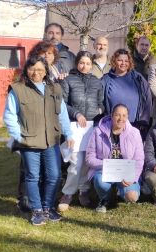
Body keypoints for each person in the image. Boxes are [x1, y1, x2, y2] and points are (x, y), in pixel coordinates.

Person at [3, 54, 74, 226]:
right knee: (33, 176)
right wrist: (19, 136)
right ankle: (37, 211)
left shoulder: (54, 89)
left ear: (45, 71)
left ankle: (48, 207)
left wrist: (69, 133)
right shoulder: (18, 89)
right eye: (32, 68)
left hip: (51, 140)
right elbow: (9, 116)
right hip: (29, 142)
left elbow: (62, 113)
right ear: (27, 69)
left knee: (54, 175)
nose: (36, 72)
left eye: (40, 69)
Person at [57, 51, 104, 212]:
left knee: (87, 162)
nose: (85, 66)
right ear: (77, 63)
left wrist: (100, 108)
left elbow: (101, 102)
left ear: (92, 65)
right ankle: (67, 193)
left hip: (91, 128)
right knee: (75, 161)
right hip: (75, 128)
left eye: (88, 63)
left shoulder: (97, 82)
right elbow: (62, 104)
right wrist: (76, 114)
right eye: (82, 63)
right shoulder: (68, 80)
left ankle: (84, 191)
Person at [85, 104, 144, 213]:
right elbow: (89, 158)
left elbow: (139, 159)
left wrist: (133, 177)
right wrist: (107, 165)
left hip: (126, 173)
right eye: (117, 115)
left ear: (127, 117)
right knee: (100, 182)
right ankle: (105, 198)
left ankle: (119, 191)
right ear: (111, 116)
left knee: (132, 197)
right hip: (104, 171)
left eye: (124, 115)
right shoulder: (97, 131)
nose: (121, 119)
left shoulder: (134, 133)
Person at [101, 49, 152, 139]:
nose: (123, 63)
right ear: (114, 61)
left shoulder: (138, 78)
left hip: (135, 126)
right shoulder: (106, 79)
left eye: (126, 61)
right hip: (114, 127)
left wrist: (144, 120)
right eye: (120, 60)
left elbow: (147, 98)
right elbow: (99, 101)